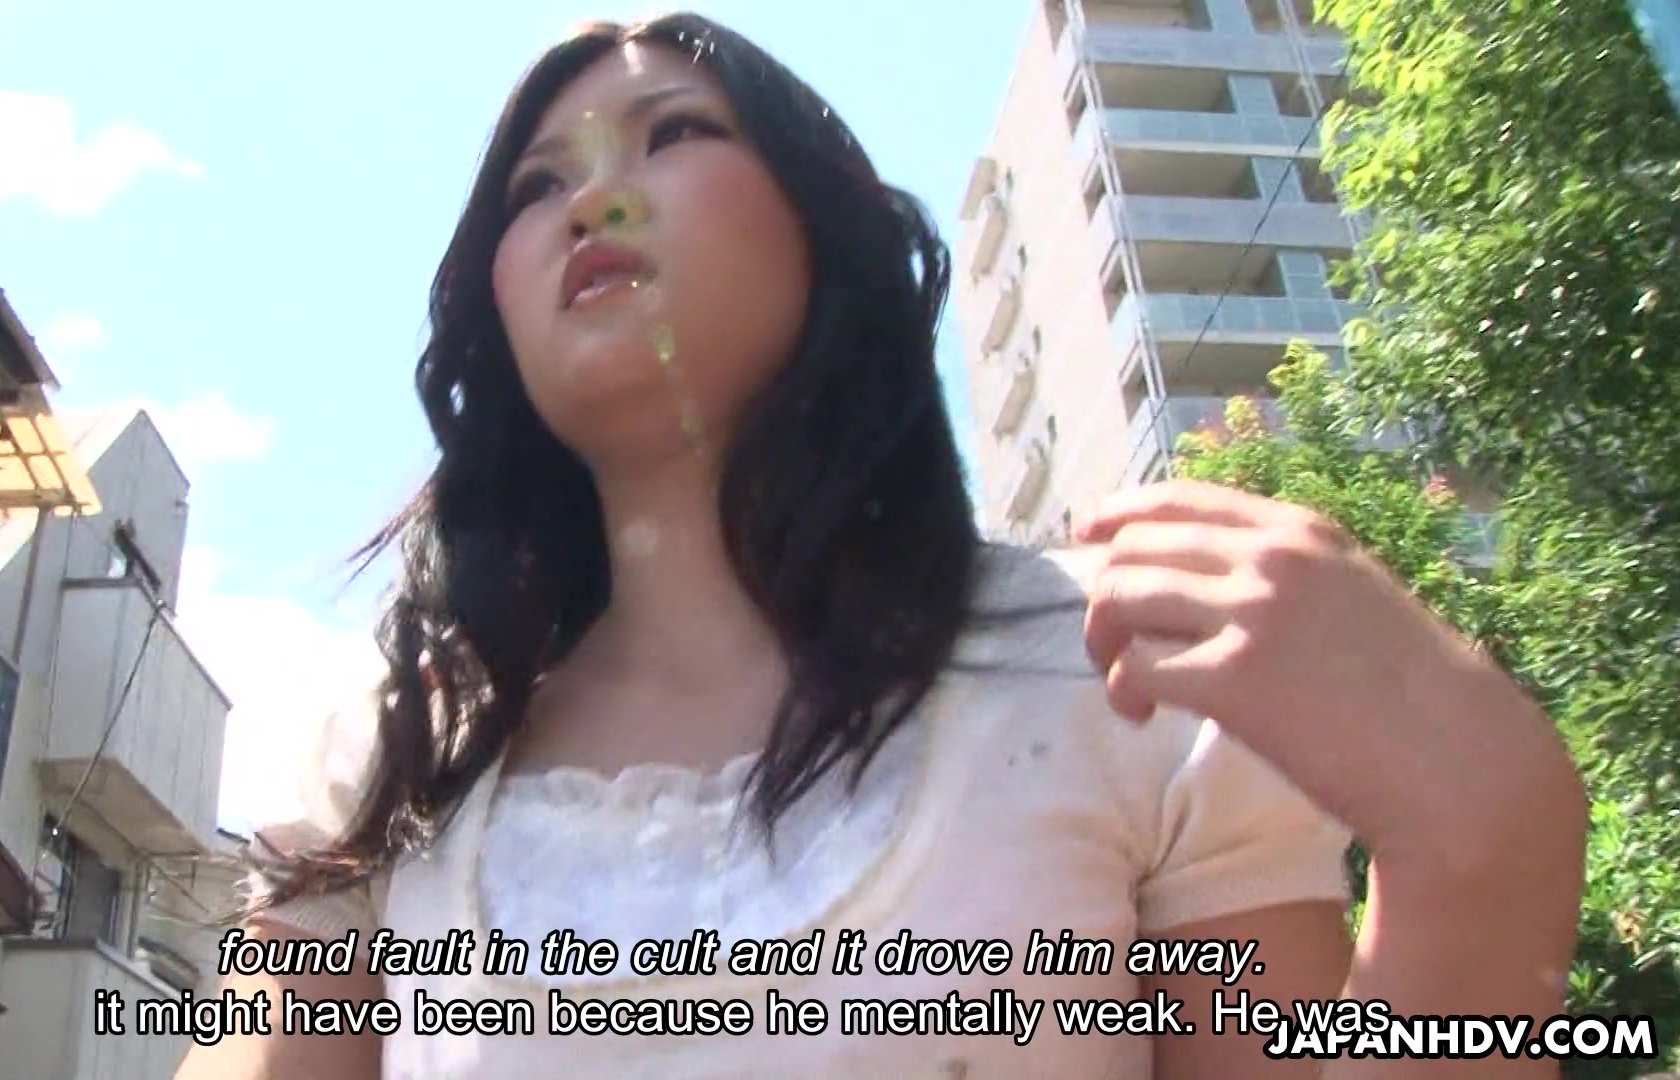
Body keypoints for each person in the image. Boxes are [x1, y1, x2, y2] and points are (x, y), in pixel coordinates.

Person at [177, 13, 1586, 1079]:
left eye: (675, 134)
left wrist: (1486, 841)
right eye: (535, 186)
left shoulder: (1119, 679)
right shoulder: (394, 762)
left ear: (830, 230)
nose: (593, 200)